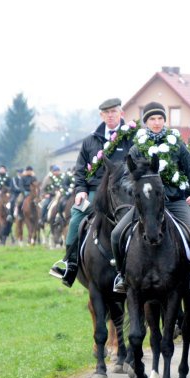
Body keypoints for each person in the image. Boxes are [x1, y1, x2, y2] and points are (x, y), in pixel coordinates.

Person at [110, 101, 190, 293]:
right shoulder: (136, 149)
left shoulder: (178, 145)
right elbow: (126, 179)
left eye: (160, 118)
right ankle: (122, 275)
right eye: (152, 119)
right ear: (146, 122)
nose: (157, 122)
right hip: (147, 207)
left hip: (175, 201)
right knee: (115, 235)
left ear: (165, 120)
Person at [50, 97, 135, 286]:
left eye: (114, 111)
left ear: (121, 113)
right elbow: (80, 170)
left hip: (123, 192)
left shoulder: (132, 137)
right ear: (101, 115)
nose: (111, 115)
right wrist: (80, 190)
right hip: (95, 191)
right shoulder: (90, 141)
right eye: (107, 112)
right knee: (76, 219)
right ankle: (70, 264)